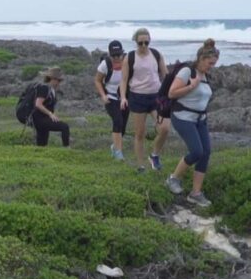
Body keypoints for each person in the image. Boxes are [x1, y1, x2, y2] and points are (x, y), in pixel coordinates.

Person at [165, 39, 220, 207]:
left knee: (206, 153)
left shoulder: (206, 75)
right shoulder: (187, 72)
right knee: (196, 151)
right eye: (210, 63)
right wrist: (191, 86)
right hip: (183, 117)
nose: (212, 67)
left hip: (200, 119)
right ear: (202, 59)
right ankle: (173, 179)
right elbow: (171, 93)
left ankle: (196, 193)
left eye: (214, 64)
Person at [119, 28, 170, 171]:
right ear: (135, 42)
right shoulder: (130, 57)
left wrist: (170, 93)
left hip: (156, 96)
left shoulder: (156, 54)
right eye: (140, 43)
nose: (143, 46)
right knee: (140, 134)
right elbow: (123, 80)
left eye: (146, 42)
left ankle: (154, 155)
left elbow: (166, 76)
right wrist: (123, 98)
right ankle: (141, 165)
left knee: (164, 128)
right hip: (137, 97)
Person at [94, 40, 128, 160]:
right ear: (109, 55)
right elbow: (97, 80)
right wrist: (103, 95)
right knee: (117, 121)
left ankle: (114, 146)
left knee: (123, 127)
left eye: (119, 55)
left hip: (124, 98)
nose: (116, 58)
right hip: (111, 98)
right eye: (114, 56)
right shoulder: (105, 65)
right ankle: (118, 152)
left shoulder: (127, 62)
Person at [32, 67, 70, 147]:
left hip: (43, 119)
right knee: (64, 127)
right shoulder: (44, 88)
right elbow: (38, 104)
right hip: (40, 119)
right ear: (52, 79)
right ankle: (66, 149)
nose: (59, 83)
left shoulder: (51, 89)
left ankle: (40, 153)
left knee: (42, 143)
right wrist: (50, 114)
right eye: (58, 80)